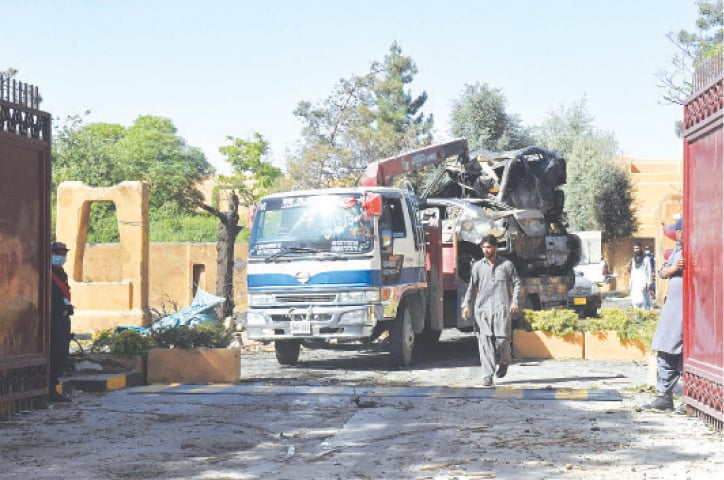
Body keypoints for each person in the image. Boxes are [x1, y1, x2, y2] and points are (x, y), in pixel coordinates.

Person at [462, 234, 521, 387]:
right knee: (485, 342)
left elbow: (517, 283)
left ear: (495, 248)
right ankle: (487, 375)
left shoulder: (507, 265)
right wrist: (466, 305)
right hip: (482, 309)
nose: (486, 250)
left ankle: (504, 361)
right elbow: (471, 287)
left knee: (502, 341)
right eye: (484, 247)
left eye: (489, 247)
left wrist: (514, 302)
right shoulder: (477, 267)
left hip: (502, 308)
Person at [643, 218, 685, 411]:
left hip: (684, 313)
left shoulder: (693, 249)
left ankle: (687, 398)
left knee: (680, 351)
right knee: (665, 348)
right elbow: (662, 271)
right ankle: (664, 396)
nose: (679, 234)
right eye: (678, 231)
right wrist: (675, 269)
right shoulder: (677, 249)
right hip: (672, 311)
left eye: (681, 230)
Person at [49, 241, 73, 403]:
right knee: (54, 354)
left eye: (63, 254)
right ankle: (50, 389)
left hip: (64, 319)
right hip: (53, 319)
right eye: (57, 253)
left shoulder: (61, 273)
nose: (60, 256)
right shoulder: (47, 273)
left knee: (62, 355)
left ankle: (53, 387)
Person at [629, 241, 652, 310]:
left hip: (643, 282)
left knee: (643, 300)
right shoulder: (633, 259)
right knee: (635, 300)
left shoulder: (646, 259)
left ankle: (645, 317)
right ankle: (636, 317)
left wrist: (649, 283)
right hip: (635, 283)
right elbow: (632, 271)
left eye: (637, 248)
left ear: (641, 248)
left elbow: (649, 271)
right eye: (635, 249)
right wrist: (630, 283)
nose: (636, 250)